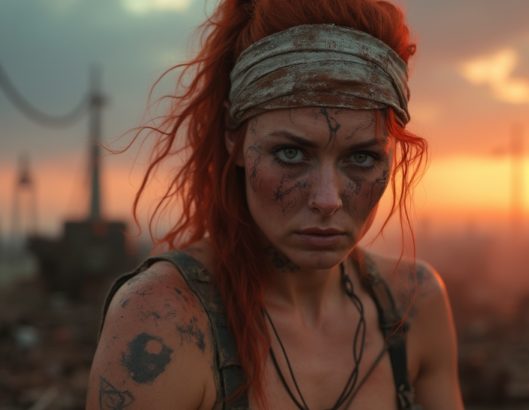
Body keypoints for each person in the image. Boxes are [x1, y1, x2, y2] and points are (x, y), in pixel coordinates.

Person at [86, 0, 464, 409]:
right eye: (290, 153)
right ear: (236, 138)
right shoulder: (164, 322)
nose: (327, 199)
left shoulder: (414, 305)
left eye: (362, 157)